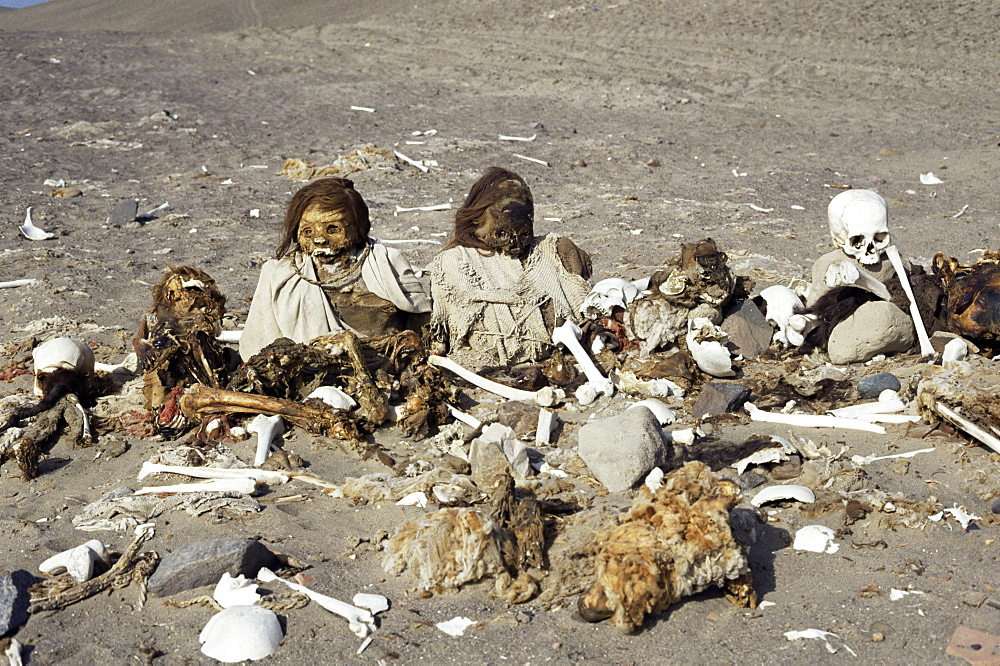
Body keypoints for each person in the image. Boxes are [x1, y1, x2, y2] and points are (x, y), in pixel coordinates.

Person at [240, 177, 431, 359]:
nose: (319, 239)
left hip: (386, 364)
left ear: (358, 229)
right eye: (308, 231)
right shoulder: (280, 274)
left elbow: (420, 316)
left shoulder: (386, 262)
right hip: (309, 369)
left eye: (333, 229)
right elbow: (260, 339)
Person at [428, 167, 592, 367]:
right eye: (502, 234)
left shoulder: (552, 251)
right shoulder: (454, 262)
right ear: (476, 222)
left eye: (524, 234)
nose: (515, 245)